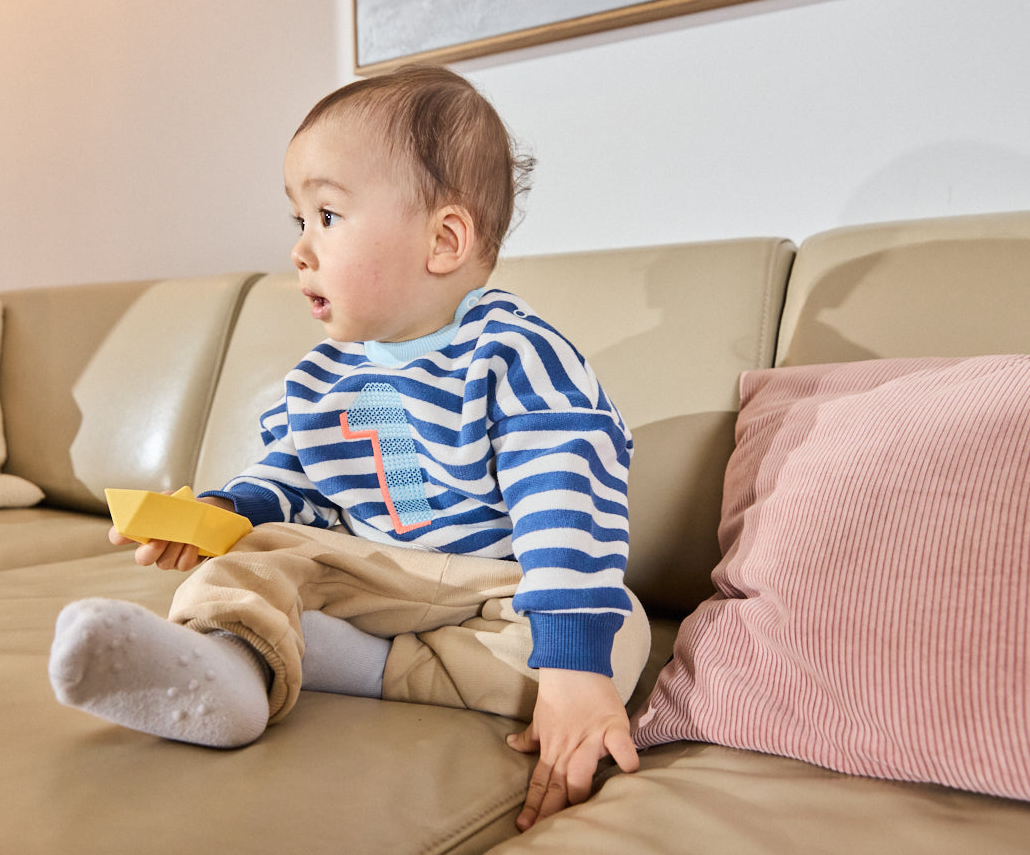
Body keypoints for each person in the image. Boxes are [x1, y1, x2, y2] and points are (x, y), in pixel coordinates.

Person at [48, 65, 650, 831]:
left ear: (443, 240)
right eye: (297, 219)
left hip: (494, 588)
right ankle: (222, 673)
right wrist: (224, 512)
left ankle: (315, 657)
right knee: (257, 554)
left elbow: (565, 499)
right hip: (374, 574)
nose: (300, 249)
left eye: (327, 215)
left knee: (617, 631)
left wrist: (571, 666)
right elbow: (294, 477)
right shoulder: (321, 377)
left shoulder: (512, 353)